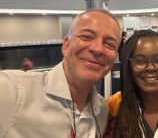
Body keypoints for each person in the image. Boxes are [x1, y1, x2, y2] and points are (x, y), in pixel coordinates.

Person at [0, 9, 121, 138]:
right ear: (66, 46)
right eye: (86, 37)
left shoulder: (102, 110)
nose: (97, 49)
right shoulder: (13, 91)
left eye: (109, 44)